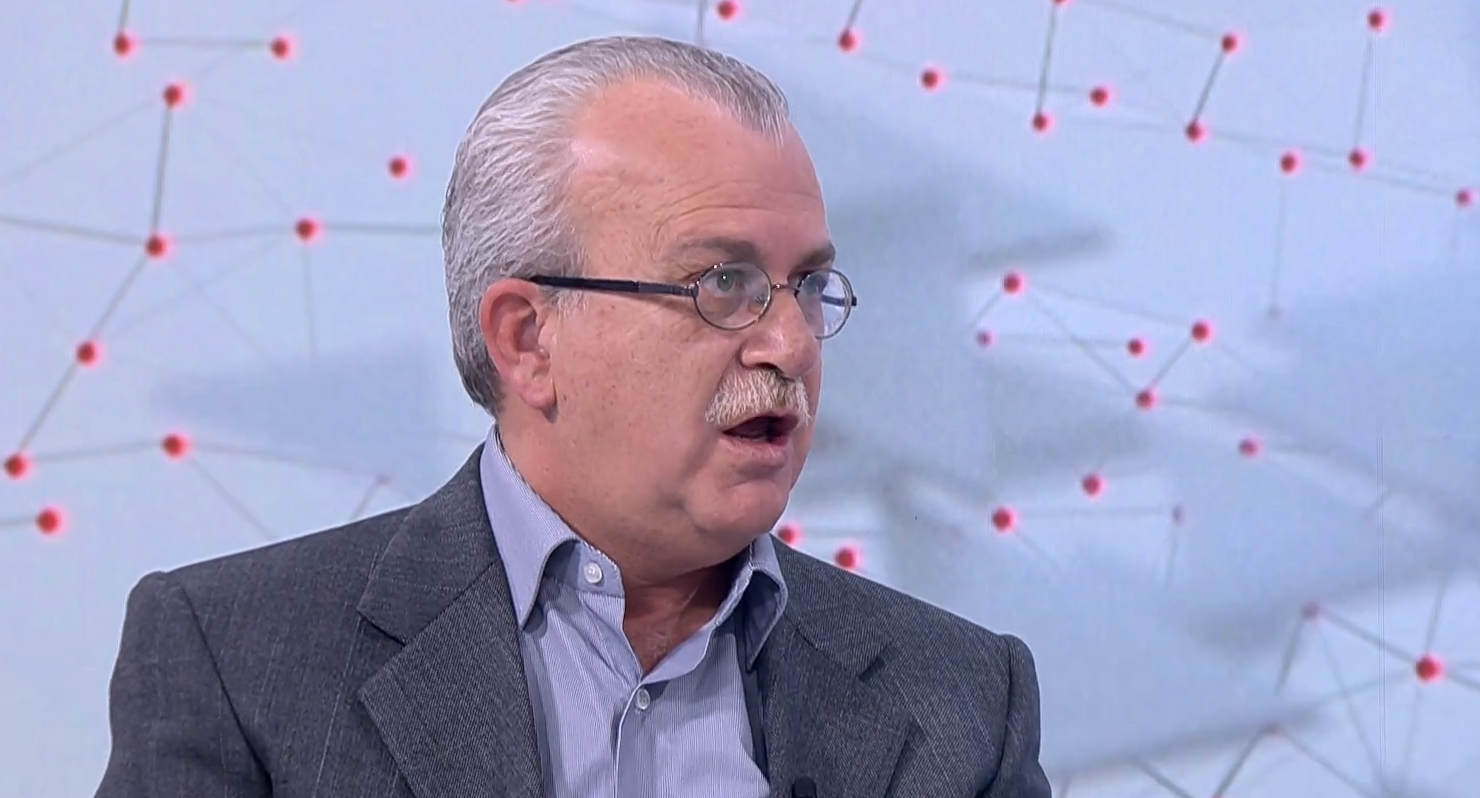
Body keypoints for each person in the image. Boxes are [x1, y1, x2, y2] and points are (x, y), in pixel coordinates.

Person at [93, 34, 1051, 798]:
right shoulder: (238, 663)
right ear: (528, 340)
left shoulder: (964, 700)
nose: (790, 345)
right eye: (723, 283)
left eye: (806, 286)